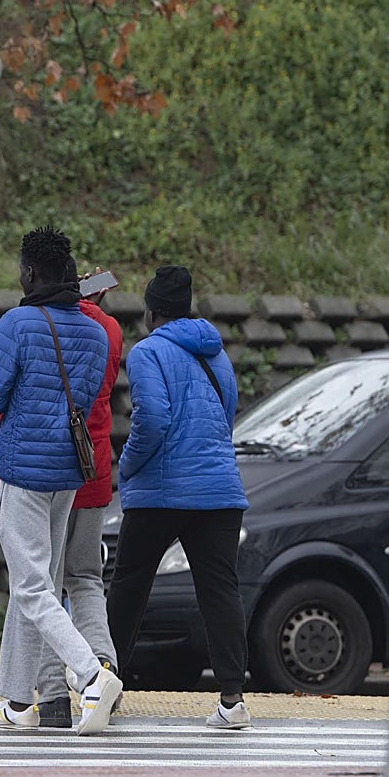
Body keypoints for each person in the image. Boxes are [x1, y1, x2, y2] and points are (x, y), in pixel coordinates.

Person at [0, 226, 123, 736]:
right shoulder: (96, 332)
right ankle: (16, 702)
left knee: (34, 587)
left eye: (22, 268)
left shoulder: (18, 323)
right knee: (31, 584)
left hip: (23, 473)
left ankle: (92, 677)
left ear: (31, 272)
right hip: (68, 476)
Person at [106, 264, 252, 729]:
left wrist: (127, 464)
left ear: (151, 312)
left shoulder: (147, 352)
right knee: (220, 592)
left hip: (161, 493)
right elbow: (226, 415)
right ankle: (233, 700)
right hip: (219, 492)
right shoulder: (217, 354)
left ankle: (106, 687)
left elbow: (152, 418)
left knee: (129, 587)